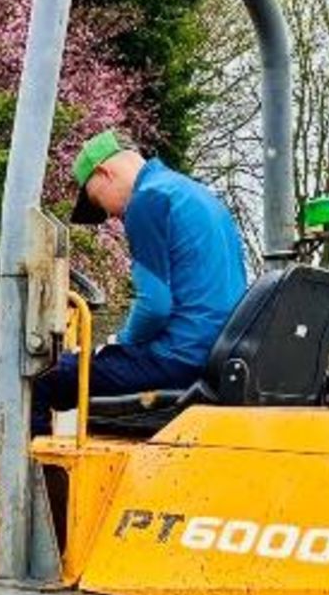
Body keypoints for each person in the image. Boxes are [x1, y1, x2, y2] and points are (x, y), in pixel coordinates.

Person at [33, 129, 248, 426]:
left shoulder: (147, 200)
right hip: (216, 351)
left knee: (43, 377)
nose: (108, 215)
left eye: (97, 201)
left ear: (104, 172)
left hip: (179, 356)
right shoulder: (198, 196)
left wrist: (118, 344)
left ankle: (32, 474)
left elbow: (155, 305)